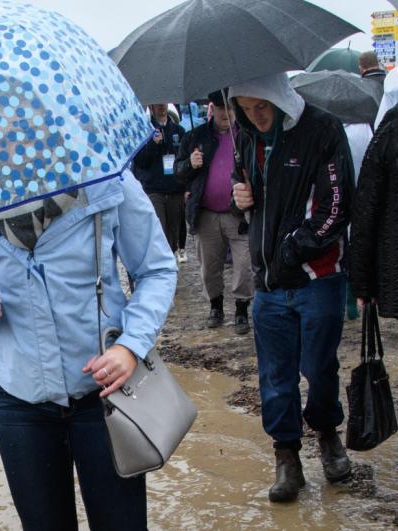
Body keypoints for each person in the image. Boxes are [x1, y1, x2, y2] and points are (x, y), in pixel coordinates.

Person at [0, 173, 177, 530]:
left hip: (104, 396)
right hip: (19, 399)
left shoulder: (107, 177)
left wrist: (131, 346)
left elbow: (156, 269)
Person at [229, 72, 354, 503]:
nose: (255, 116)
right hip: (268, 284)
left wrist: (291, 250)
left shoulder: (323, 129)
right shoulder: (247, 138)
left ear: (279, 97)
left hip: (317, 276)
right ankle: (286, 456)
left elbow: (336, 205)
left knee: (319, 368)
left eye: (261, 106)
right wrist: (238, 196)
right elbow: (241, 188)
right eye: (245, 109)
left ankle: (327, 433)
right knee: (274, 378)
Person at [175, 90, 253, 334]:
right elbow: (178, 172)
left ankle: (241, 308)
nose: (225, 113)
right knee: (210, 267)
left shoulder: (247, 136)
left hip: (239, 213)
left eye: (230, 108)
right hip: (206, 213)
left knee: (244, 264)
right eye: (220, 108)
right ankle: (215, 306)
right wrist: (190, 163)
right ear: (212, 108)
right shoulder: (195, 137)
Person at [349, 85, 398, 343]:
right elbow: (368, 204)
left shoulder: (396, 120)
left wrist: (363, 281)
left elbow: (367, 204)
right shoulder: (397, 122)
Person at [133, 103, 187, 260]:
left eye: (164, 103)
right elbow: (140, 162)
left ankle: (169, 264)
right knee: (159, 232)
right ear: (151, 106)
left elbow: (183, 159)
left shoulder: (179, 131)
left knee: (173, 235)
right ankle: (161, 265)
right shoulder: (144, 131)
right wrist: (152, 144)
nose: (161, 107)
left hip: (175, 188)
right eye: (157, 104)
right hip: (154, 190)